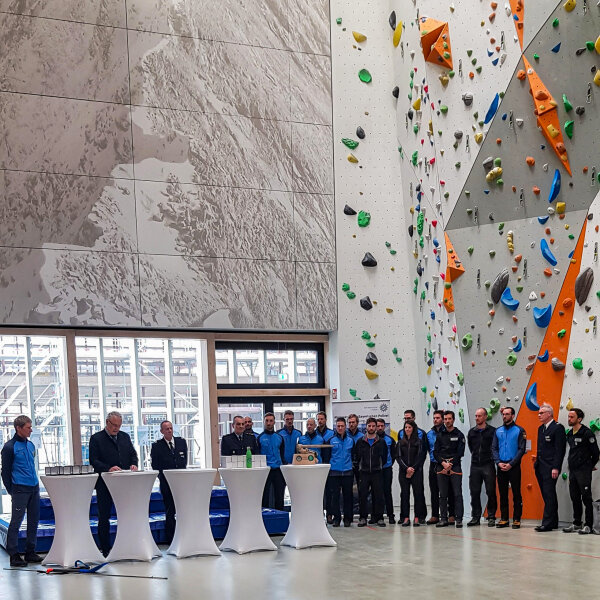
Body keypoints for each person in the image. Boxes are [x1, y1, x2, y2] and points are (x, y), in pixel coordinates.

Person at [89, 411, 138, 556]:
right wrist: (108, 468)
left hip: (123, 483)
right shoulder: (96, 438)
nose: (116, 428)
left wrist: (134, 464)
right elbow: (93, 460)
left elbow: (132, 454)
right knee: (104, 516)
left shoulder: (124, 437)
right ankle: (105, 548)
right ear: (107, 423)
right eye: (114, 425)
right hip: (104, 483)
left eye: (119, 425)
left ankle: (126, 545)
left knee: (126, 514)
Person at [1, 415, 42, 567]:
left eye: (31, 427)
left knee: (34, 520)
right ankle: (14, 554)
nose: (31, 430)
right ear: (18, 428)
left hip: (34, 487)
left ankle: (30, 552)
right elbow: (5, 472)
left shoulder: (30, 445)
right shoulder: (9, 447)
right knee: (16, 521)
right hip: (19, 488)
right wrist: (12, 490)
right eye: (28, 428)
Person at [150, 420, 188, 544]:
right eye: (166, 429)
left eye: (171, 428)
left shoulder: (181, 442)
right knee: (170, 511)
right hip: (166, 483)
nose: (169, 430)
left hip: (181, 482)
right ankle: (171, 538)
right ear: (162, 431)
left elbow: (184, 461)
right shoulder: (157, 446)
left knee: (182, 510)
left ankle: (183, 535)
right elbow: (155, 465)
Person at [563, 408, 599, 535]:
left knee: (586, 498)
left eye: (572, 417)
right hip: (573, 471)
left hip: (583, 471)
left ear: (579, 419)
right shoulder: (570, 434)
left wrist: (589, 466)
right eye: (568, 416)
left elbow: (596, 453)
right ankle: (577, 523)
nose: (569, 419)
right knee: (574, 497)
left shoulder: (587, 433)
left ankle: (588, 525)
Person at [492, 406, 527, 529]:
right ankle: (504, 518)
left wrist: (511, 464)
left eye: (507, 414)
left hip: (514, 466)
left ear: (512, 416)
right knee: (502, 493)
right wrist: (498, 462)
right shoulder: (498, 431)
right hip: (501, 466)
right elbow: (494, 448)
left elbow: (522, 449)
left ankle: (517, 519)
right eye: (503, 414)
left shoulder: (520, 430)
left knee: (516, 493)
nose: (504, 416)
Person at [534, 403, 567, 532]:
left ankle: (547, 523)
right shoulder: (540, 428)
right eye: (539, 413)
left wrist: (556, 467)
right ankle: (553, 522)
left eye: (541, 413)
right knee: (547, 495)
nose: (539, 415)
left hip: (550, 467)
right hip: (540, 466)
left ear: (549, 414)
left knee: (549, 494)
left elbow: (560, 450)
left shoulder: (558, 428)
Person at [354, 417, 388, 527]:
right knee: (362, 496)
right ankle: (363, 517)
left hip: (377, 472)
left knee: (378, 495)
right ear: (366, 427)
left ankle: (379, 518)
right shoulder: (360, 441)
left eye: (374, 426)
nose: (372, 428)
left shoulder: (381, 442)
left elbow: (384, 457)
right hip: (363, 472)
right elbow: (357, 456)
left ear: (376, 427)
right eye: (369, 426)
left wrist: (378, 465)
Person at [433, 410, 465, 528]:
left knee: (457, 494)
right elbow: (435, 452)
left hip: (455, 466)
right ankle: (443, 519)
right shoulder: (440, 435)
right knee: (442, 495)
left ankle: (459, 519)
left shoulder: (459, 435)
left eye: (449, 419)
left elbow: (460, 452)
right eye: (445, 419)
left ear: (453, 419)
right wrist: (443, 463)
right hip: (441, 467)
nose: (447, 421)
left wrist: (450, 464)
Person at [467, 408, 497, 527]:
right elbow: (471, 447)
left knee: (490, 491)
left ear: (485, 417)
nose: (477, 418)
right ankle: (475, 517)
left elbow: (495, 447)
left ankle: (491, 516)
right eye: (476, 416)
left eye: (479, 416)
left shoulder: (492, 431)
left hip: (488, 464)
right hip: (475, 465)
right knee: (474, 492)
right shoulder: (471, 432)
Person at [396, 420, 427, 526]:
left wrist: (412, 469)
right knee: (404, 495)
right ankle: (405, 517)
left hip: (416, 472)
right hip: (403, 473)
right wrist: (406, 469)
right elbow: (398, 457)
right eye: (406, 427)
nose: (407, 429)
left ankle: (417, 517)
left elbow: (421, 457)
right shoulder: (400, 443)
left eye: (409, 427)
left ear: (413, 429)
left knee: (417, 494)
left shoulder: (419, 442)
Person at [426, 410, 454, 524]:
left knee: (449, 490)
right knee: (434, 490)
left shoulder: (447, 432)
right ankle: (434, 515)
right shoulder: (429, 434)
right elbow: (428, 449)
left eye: (438, 418)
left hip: (446, 464)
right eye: (434, 418)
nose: (435, 420)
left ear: (442, 419)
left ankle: (451, 514)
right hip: (434, 463)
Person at [328, 417, 355, 527]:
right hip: (334, 473)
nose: (340, 428)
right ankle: (337, 518)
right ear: (336, 427)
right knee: (335, 497)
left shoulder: (350, 441)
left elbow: (354, 455)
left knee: (348, 496)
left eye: (342, 426)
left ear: (345, 427)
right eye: (338, 426)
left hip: (348, 472)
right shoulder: (331, 440)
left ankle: (348, 518)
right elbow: (327, 455)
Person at [258, 413, 286, 510]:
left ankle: (280, 515)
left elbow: (281, 454)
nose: (269, 423)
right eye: (267, 421)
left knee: (279, 495)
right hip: (266, 470)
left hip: (278, 470)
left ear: (274, 422)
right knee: (264, 495)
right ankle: (265, 517)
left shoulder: (279, 437)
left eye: (271, 421)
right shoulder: (259, 438)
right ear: (264, 422)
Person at [376, 418, 397, 524]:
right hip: (375, 470)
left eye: (381, 426)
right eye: (378, 426)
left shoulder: (390, 439)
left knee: (387, 492)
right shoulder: (372, 439)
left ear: (384, 427)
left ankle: (391, 515)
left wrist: (388, 464)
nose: (380, 428)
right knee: (376, 493)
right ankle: (377, 516)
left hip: (387, 469)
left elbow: (394, 454)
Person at [316, 411, 335, 522]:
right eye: (318, 419)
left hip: (328, 466)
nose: (320, 421)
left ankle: (329, 514)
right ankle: (318, 514)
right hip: (317, 467)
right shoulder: (313, 433)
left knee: (329, 491)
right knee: (318, 492)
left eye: (322, 419)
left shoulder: (331, 433)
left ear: (326, 420)